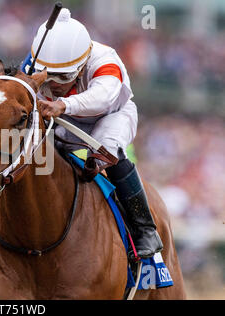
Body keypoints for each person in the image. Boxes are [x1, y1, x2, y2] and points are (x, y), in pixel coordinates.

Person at [25, 8, 162, 259]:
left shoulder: (105, 60)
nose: (53, 85)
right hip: (63, 120)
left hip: (110, 116)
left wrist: (63, 104)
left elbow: (102, 97)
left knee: (107, 149)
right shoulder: (35, 61)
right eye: (47, 77)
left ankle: (145, 229)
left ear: (81, 65)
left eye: (62, 77)